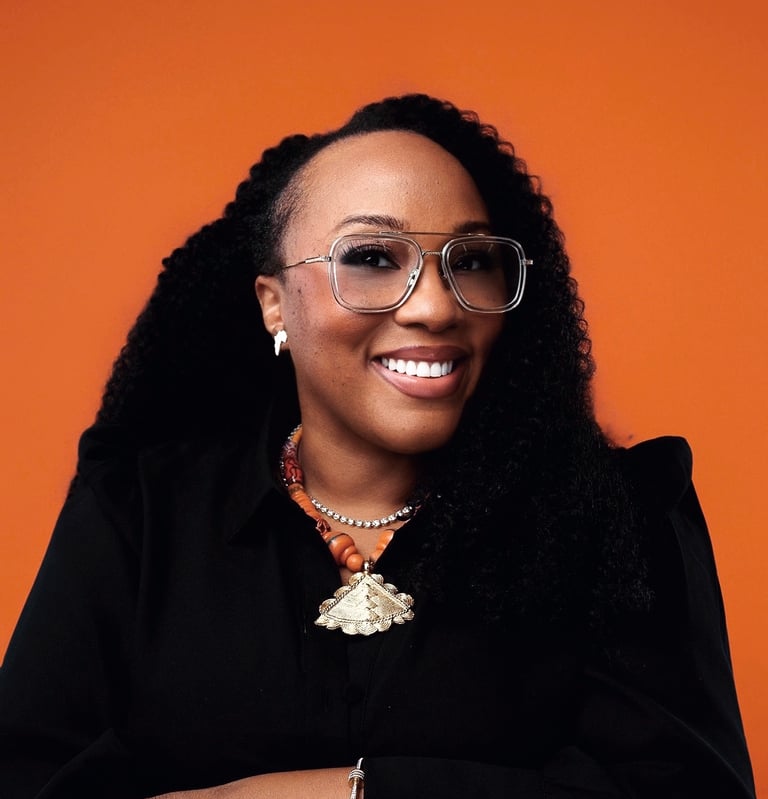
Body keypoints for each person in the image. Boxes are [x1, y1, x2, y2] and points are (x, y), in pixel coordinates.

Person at [0, 94, 756, 799]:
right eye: (370, 257)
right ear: (274, 304)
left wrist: (337, 790)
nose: (434, 306)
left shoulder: (621, 518)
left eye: (470, 261)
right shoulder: (138, 513)